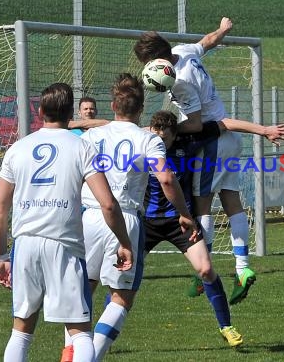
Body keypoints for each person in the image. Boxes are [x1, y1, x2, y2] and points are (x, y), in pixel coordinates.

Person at [134, 17, 284, 305]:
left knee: (202, 203)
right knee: (232, 200)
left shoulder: (179, 82)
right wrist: (223, 30)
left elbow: (194, 124)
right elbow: (207, 42)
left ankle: (205, 270)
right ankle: (242, 267)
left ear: (158, 60)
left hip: (213, 142)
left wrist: (163, 130)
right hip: (230, 139)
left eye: (148, 64)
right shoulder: (183, 51)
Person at [0, 82, 134, 362]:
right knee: (80, 331)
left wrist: (1, 255)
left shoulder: (17, 149)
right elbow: (107, 203)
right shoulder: (82, 147)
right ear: (72, 114)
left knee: (21, 330)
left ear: (41, 111)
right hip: (64, 246)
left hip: (25, 245)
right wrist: (124, 241)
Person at [60, 73, 198, 362]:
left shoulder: (91, 136)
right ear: (141, 108)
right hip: (124, 220)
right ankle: (89, 358)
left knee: (83, 290)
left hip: (89, 217)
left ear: (112, 105)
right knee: (121, 297)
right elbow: (167, 179)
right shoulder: (148, 139)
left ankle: (71, 352)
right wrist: (185, 215)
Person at [144, 110, 246, 346]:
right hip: (147, 222)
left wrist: (263, 130)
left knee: (206, 270)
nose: (159, 140)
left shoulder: (186, 143)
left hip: (181, 221)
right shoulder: (143, 143)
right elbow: (113, 124)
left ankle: (227, 327)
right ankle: (94, 335)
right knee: (124, 277)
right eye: (155, 134)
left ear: (174, 134)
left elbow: (223, 124)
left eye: (165, 136)